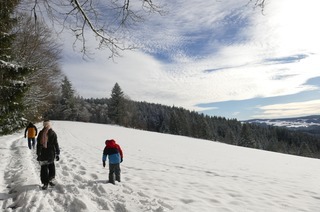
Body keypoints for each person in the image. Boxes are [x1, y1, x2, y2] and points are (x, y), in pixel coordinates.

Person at [36, 120, 60, 190]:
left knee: (44, 168)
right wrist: (57, 153)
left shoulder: (41, 133)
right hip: (51, 153)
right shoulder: (53, 133)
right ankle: (50, 180)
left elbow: (39, 144)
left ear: (44, 125)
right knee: (51, 166)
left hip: (43, 152)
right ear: (50, 125)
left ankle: (45, 183)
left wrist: (38, 153)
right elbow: (56, 144)